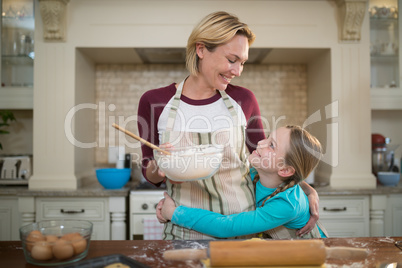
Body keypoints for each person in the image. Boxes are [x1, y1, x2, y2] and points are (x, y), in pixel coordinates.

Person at [137, 11, 320, 240]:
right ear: (201, 49)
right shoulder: (154, 102)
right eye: (232, 60)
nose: (237, 71)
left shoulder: (244, 100)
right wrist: (160, 168)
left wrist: (305, 189)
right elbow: (150, 172)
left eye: (242, 63)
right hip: (183, 230)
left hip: (243, 232)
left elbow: (267, 163)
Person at [158, 125, 328, 239]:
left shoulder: (287, 204)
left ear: (285, 170)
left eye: (272, 145)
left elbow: (227, 227)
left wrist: (174, 213)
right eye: (268, 138)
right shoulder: (254, 172)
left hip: (309, 255)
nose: (260, 143)